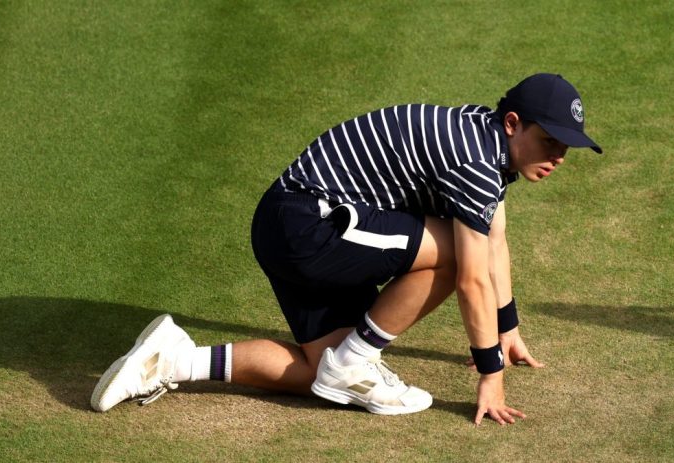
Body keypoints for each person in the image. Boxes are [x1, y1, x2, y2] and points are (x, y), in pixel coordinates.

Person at [90, 73, 602, 425]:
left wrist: (508, 330)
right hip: (307, 224)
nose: (558, 156)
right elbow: (473, 275)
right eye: (550, 140)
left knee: (321, 374)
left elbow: (496, 236)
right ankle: (356, 361)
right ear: (513, 123)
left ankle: (172, 361)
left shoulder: (483, 137)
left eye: (566, 146)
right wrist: (491, 373)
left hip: (287, 225)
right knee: (456, 255)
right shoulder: (475, 161)